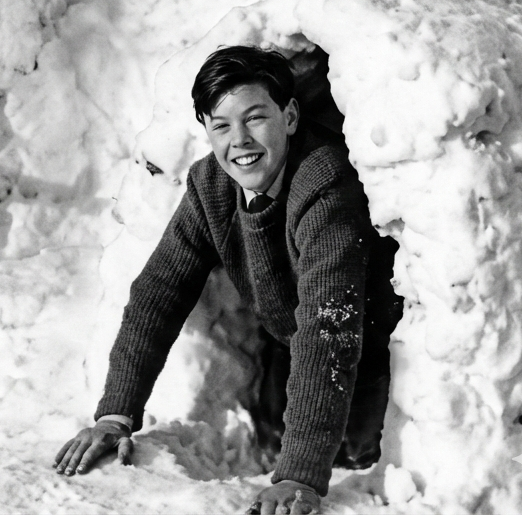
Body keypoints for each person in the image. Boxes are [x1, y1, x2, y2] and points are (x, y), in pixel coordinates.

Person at [53, 45, 401, 515]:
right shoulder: (211, 185)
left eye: (255, 118)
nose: (239, 140)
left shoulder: (324, 183)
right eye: (221, 126)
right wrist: (115, 415)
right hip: (288, 350)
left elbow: (328, 329)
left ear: (290, 116)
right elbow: (159, 292)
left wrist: (299, 475)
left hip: (371, 360)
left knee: (358, 475)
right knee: (273, 443)